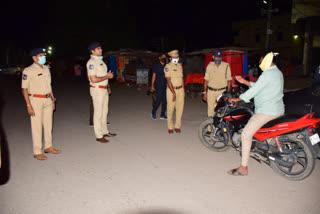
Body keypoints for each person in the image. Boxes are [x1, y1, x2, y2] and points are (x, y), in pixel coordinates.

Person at [227, 52, 284, 176]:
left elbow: (254, 91)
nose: (259, 64)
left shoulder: (267, 74)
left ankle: (243, 168)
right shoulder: (277, 73)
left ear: (267, 60)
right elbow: (260, 87)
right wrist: (244, 82)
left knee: (246, 134)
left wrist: (238, 99)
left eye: (260, 61)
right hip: (278, 110)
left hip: (266, 112)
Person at [21, 48, 61, 160]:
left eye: (44, 55)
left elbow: (49, 86)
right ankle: (37, 151)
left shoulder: (46, 68)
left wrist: (53, 100)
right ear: (34, 58)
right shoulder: (28, 71)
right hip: (35, 100)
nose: (43, 57)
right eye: (40, 55)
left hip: (47, 99)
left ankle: (48, 146)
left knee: (48, 125)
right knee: (36, 126)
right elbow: (24, 89)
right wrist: (29, 106)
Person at [87, 42, 116, 143]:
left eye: (100, 48)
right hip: (97, 89)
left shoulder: (101, 61)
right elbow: (93, 79)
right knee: (98, 113)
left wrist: (107, 86)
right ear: (93, 51)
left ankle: (104, 131)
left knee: (104, 112)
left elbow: (104, 75)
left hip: (103, 89)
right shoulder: (91, 63)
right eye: (98, 49)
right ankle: (99, 135)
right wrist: (107, 77)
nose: (101, 50)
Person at [203, 50, 232, 117]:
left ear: (222, 58)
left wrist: (228, 93)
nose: (218, 59)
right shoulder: (209, 66)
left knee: (220, 111)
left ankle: (219, 127)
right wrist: (204, 92)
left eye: (219, 58)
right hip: (211, 92)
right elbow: (206, 79)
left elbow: (229, 80)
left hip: (222, 92)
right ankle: (210, 127)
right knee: (210, 111)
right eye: (216, 57)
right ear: (213, 57)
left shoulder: (226, 66)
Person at [164, 50, 184, 134]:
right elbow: (168, 80)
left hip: (180, 90)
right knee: (170, 109)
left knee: (180, 109)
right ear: (170, 58)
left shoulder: (180, 66)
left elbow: (182, 78)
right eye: (174, 57)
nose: (176, 58)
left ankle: (177, 126)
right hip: (171, 90)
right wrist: (173, 93)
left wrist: (184, 90)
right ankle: (170, 126)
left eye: (177, 57)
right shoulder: (168, 66)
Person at [150, 53, 167, 120]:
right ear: (159, 58)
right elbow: (154, 76)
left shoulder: (167, 66)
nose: (164, 58)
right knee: (158, 99)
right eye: (162, 57)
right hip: (158, 85)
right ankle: (153, 112)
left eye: (165, 57)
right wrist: (152, 86)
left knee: (165, 101)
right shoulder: (156, 65)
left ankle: (162, 114)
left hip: (165, 85)